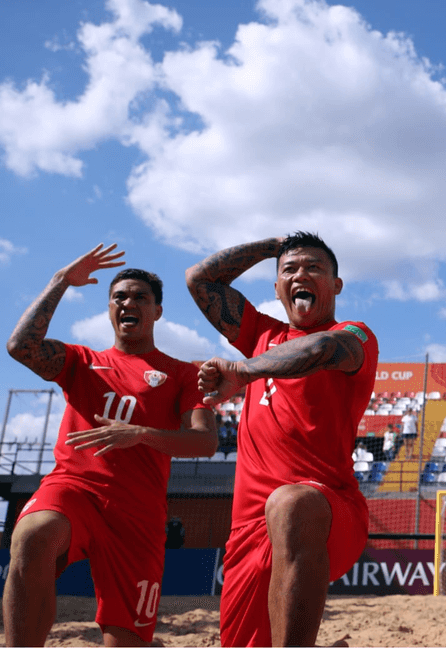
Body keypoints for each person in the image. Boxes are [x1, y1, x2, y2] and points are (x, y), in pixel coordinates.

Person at [3, 244, 217, 647]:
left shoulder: (183, 374)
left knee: (125, 639)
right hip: (74, 488)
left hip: (138, 514)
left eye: (141, 297)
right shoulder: (80, 361)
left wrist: (141, 434)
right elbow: (20, 347)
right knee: (32, 535)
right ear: (108, 309)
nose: (128, 302)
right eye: (119, 296)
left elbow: (205, 441)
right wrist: (60, 280)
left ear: (157, 312)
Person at [185, 232, 379, 647]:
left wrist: (246, 370)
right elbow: (199, 281)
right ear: (276, 288)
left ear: (336, 285)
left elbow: (323, 347)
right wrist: (275, 245)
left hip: (327, 508)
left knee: (289, 502)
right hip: (249, 532)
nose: (300, 274)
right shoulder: (260, 333)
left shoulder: (355, 334)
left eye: (314, 268)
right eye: (289, 270)